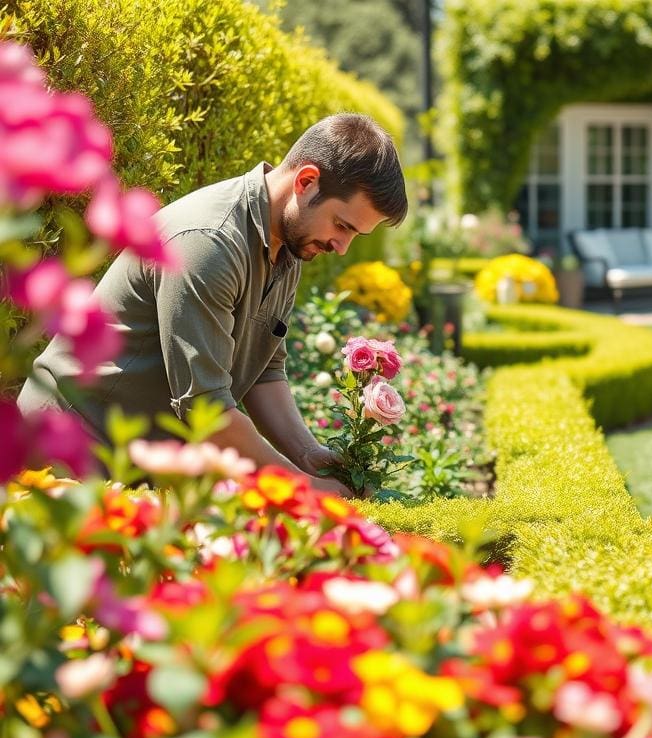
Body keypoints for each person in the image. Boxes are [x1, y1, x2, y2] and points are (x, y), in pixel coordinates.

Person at [18, 113, 407, 497]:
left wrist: (308, 456)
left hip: (126, 464)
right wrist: (305, 490)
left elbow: (265, 371)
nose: (342, 248)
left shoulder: (289, 244)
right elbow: (206, 407)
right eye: (343, 226)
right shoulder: (210, 243)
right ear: (306, 182)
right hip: (64, 452)